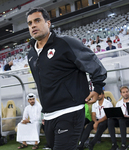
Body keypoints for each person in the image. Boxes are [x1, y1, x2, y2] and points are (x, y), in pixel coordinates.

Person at [26, 7, 107, 150]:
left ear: (48, 23)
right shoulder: (31, 54)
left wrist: (98, 87)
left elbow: (93, 63)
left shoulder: (66, 43)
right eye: (30, 23)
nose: (33, 25)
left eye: (37, 20)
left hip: (70, 111)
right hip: (49, 114)